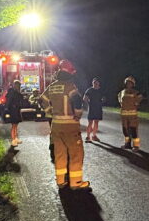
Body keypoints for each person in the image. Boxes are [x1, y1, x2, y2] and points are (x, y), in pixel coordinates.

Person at [40, 60, 91, 191]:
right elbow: (77, 101)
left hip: (56, 125)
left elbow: (42, 99)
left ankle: (61, 180)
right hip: (70, 125)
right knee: (76, 153)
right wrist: (78, 114)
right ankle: (76, 182)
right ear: (69, 73)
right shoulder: (70, 86)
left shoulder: (52, 86)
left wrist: (49, 112)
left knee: (60, 153)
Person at [118, 76, 143, 150]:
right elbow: (119, 99)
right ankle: (127, 144)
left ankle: (136, 146)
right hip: (124, 115)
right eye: (127, 83)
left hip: (132, 115)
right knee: (125, 131)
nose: (129, 84)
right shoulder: (122, 92)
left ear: (133, 84)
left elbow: (140, 97)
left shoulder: (136, 92)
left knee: (133, 131)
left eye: (130, 83)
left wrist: (136, 103)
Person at [84, 77, 105, 142]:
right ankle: (88, 137)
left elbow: (104, 98)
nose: (95, 84)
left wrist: (102, 101)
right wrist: (89, 103)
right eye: (94, 83)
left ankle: (94, 136)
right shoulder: (89, 90)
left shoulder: (101, 90)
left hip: (98, 108)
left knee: (96, 122)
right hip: (92, 108)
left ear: (99, 83)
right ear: (92, 83)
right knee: (90, 123)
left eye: (97, 83)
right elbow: (85, 98)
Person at [4, 80, 24, 146]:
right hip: (13, 110)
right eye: (18, 85)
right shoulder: (11, 92)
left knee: (16, 125)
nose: (18, 86)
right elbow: (8, 101)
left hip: (17, 110)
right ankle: (13, 140)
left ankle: (15, 138)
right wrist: (7, 108)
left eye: (19, 85)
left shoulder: (17, 92)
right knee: (13, 125)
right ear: (15, 85)